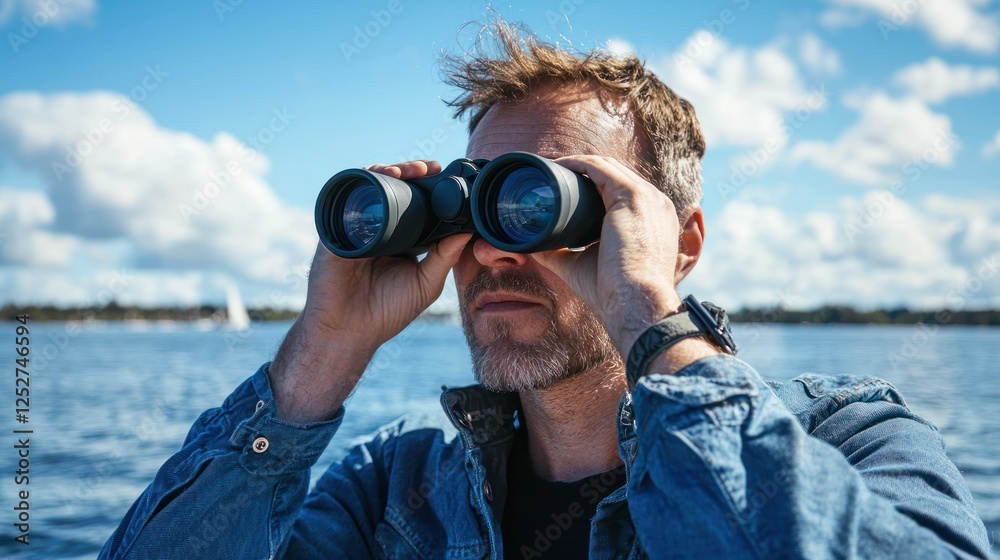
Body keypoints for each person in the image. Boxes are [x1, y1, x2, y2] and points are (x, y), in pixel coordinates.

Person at [101, 19, 990, 559]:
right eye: (474, 205)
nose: (493, 251)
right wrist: (320, 358)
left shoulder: (853, 443)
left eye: (537, 204)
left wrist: (646, 315)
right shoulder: (394, 487)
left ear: (678, 243)